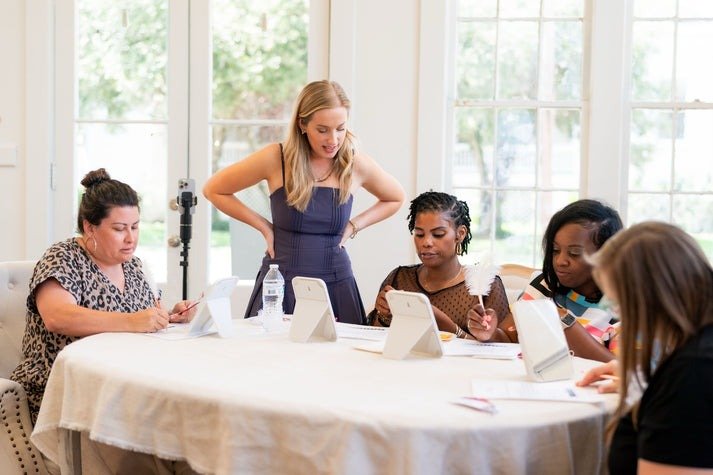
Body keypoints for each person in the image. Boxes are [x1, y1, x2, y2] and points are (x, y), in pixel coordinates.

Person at [203, 80, 404, 324]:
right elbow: (214, 189)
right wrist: (264, 227)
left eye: (340, 128)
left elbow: (395, 197)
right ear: (302, 124)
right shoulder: (276, 157)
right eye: (323, 130)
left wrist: (353, 226)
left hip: (336, 282)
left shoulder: (354, 164)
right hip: (282, 282)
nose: (333, 139)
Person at [10, 169, 197, 424]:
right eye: (119, 229)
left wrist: (171, 316)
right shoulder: (63, 257)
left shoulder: (135, 266)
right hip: (62, 391)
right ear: (90, 227)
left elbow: (149, 316)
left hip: (122, 386)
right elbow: (57, 317)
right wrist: (133, 321)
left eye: (135, 227)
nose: (131, 238)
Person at [577, 222, 713, 473]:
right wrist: (649, 380)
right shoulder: (696, 352)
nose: (620, 315)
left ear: (650, 300)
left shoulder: (691, 376)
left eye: (619, 304)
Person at [369, 191, 515, 342]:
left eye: (438, 234)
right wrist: (383, 315)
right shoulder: (399, 278)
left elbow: (505, 348)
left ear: (460, 234)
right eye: (419, 234)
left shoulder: (488, 286)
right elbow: (371, 340)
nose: (426, 242)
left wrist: (449, 327)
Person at [519, 199, 623, 362]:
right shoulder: (544, 284)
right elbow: (508, 334)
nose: (560, 261)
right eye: (555, 250)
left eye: (574, 253)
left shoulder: (622, 309)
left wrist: (567, 324)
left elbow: (622, 369)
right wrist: (489, 331)